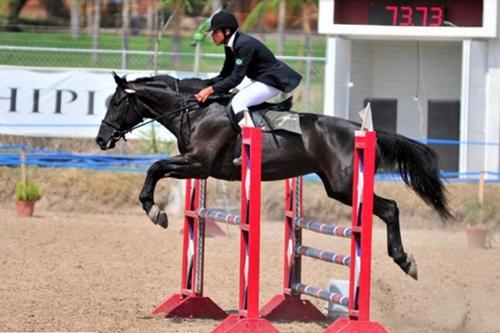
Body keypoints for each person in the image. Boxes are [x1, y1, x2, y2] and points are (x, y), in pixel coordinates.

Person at [195, 11, 302, 165]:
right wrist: (205, 85)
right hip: (260, 78)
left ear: (226, 31)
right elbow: (226, 73)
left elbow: (236, 78)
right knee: (233, 97)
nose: (212, 36)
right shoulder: (231, 45)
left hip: (272, 81)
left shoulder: (243, 44)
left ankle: (254, 148)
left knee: (238, 103)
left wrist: (210, 90)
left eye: (215, 32)